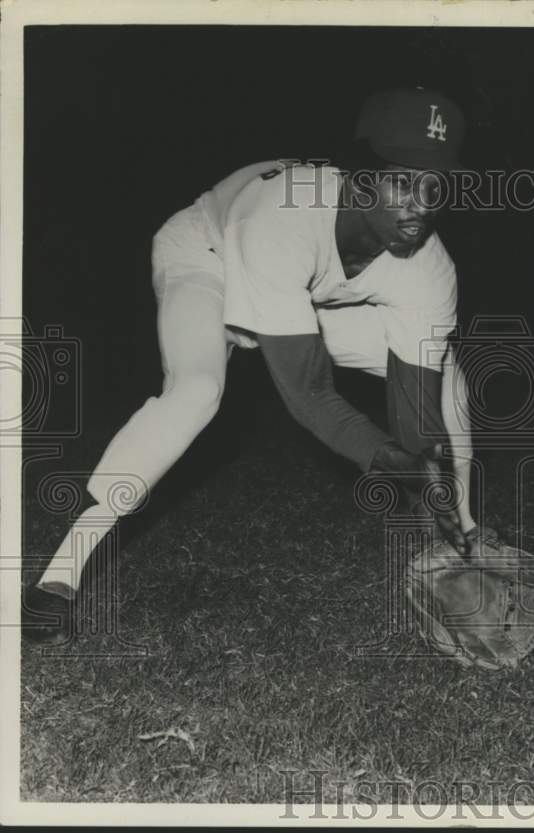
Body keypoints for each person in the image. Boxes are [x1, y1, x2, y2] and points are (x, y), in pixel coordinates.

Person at [24, 87, 480, 641]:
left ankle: (465, 541)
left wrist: (428, 482)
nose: (423, 204)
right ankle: (60, 574)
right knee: (196, 392)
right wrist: (389, 458)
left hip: (301, 294)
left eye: (436, 185)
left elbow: (415, 408)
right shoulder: (288, 218)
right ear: (359, 177)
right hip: (209, 258)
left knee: (445, 371)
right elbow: (309, 395)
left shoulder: (428, 267)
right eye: (402, 181)